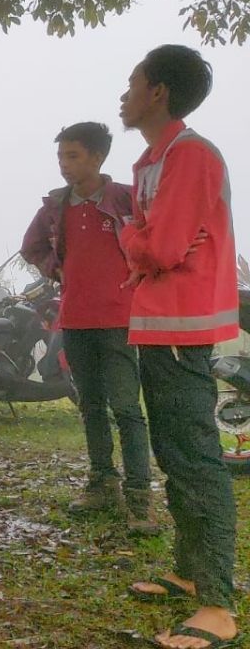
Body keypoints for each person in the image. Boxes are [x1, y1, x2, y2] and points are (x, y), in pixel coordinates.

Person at [120, 46, 239, 649]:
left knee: (194, 460)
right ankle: (190, 572)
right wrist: (143, 243)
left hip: (182, 324)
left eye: (133, 82)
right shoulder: (155, 158)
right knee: (174, 450)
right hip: (160, 323)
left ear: (158, 91)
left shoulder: (188, 154)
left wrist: (128, 234)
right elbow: (160, 242)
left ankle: (219, 604)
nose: (125, 93)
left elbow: (161, 248)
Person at [20, 122, 157, 534]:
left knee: (128, 409)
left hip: (119, 320)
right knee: (90, 405)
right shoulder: (55, 207)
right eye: (61, 156)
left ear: (97, 157)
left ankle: (140, 500)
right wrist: (55, 267)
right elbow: (32, 247)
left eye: (73, 155)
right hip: (75, 318)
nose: (64, 164)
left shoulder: (124, 199)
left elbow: (153, 239)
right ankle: (102, 483)